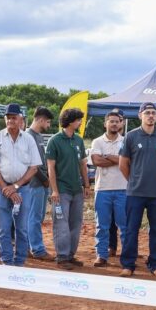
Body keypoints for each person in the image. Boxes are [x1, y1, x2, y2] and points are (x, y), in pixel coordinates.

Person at [119, 102, 156, 278]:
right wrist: (134, 179)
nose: (150, 115)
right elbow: (123, 164)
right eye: (147, 113)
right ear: (140, 115)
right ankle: (128, 264)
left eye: (153, 113)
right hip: (135, 192)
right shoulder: (131, 136)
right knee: (131, 229)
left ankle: (155, 263)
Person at [0, 103, 41, 267]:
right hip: (1, 189)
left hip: (23, 189)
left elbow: (34, 167)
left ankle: (19, 263)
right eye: (8, 117)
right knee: (3, 228)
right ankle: (7, 262)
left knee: (22, 228)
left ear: (21, 120)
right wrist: (7, 189)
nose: (10, 120)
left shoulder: (29, 139)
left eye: (14, 117)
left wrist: (15, 186)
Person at [46, 107, 90, 270]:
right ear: (71, 121)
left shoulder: (78, 140)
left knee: (76, 223)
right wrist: (54, 190)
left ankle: (70, 255)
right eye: (78, 119)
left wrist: (86, 185)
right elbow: (50, 167)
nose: (80, 122)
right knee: (61, 223)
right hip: (61, 190)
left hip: (76, 189)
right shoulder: (55, 140)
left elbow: (83, 165)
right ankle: (62, 257)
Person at [90, 109, 127, 267]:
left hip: (123, 189)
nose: (114, 124)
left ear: (121, 124)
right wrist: (118, 159)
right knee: (102, 225)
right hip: (102, 189)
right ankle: (101, 255)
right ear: (105, 123)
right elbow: (96, 161)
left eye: (116, 121)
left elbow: (128, 161)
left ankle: (127, 256)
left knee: (125, 226)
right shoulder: (97, 142)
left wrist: (107, 156)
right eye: (111, 121)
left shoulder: (126, 141)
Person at [24, 106, 54, 260]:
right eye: (47, 122)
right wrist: (45, 180)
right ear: (41, 119)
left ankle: (28, 246)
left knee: (38, 217)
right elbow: (32, 164)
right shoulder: (28, 136)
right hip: (34, 183)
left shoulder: (39, 136)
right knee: (34, 217)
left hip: (41, 183)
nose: (48, 125)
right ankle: (37, 249)